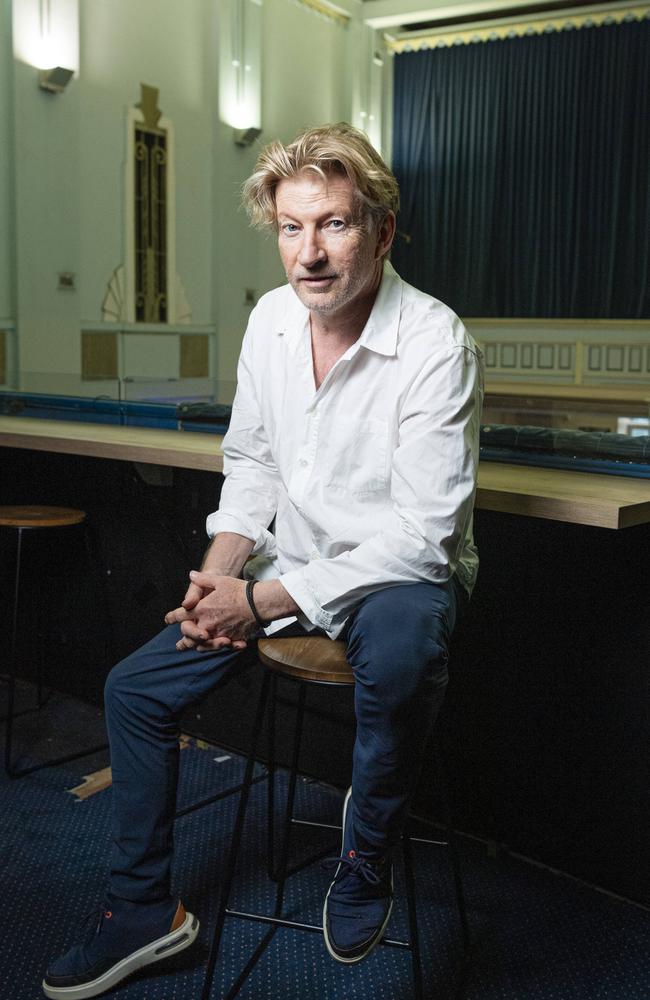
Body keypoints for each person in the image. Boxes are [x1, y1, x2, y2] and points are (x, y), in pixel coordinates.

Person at [43, 122, 483, 999]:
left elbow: (424, 535)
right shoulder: (274, 321)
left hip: (392, 579)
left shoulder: (436, 342)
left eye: (334, 225)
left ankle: (364, 855)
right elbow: (254, 464)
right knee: (134, 690)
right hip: (287, 564)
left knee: (398, 654)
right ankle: (144, 914)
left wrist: (265, 596)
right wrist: (220, 576)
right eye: (291, 228)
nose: (309, 254)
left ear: (383, 231)